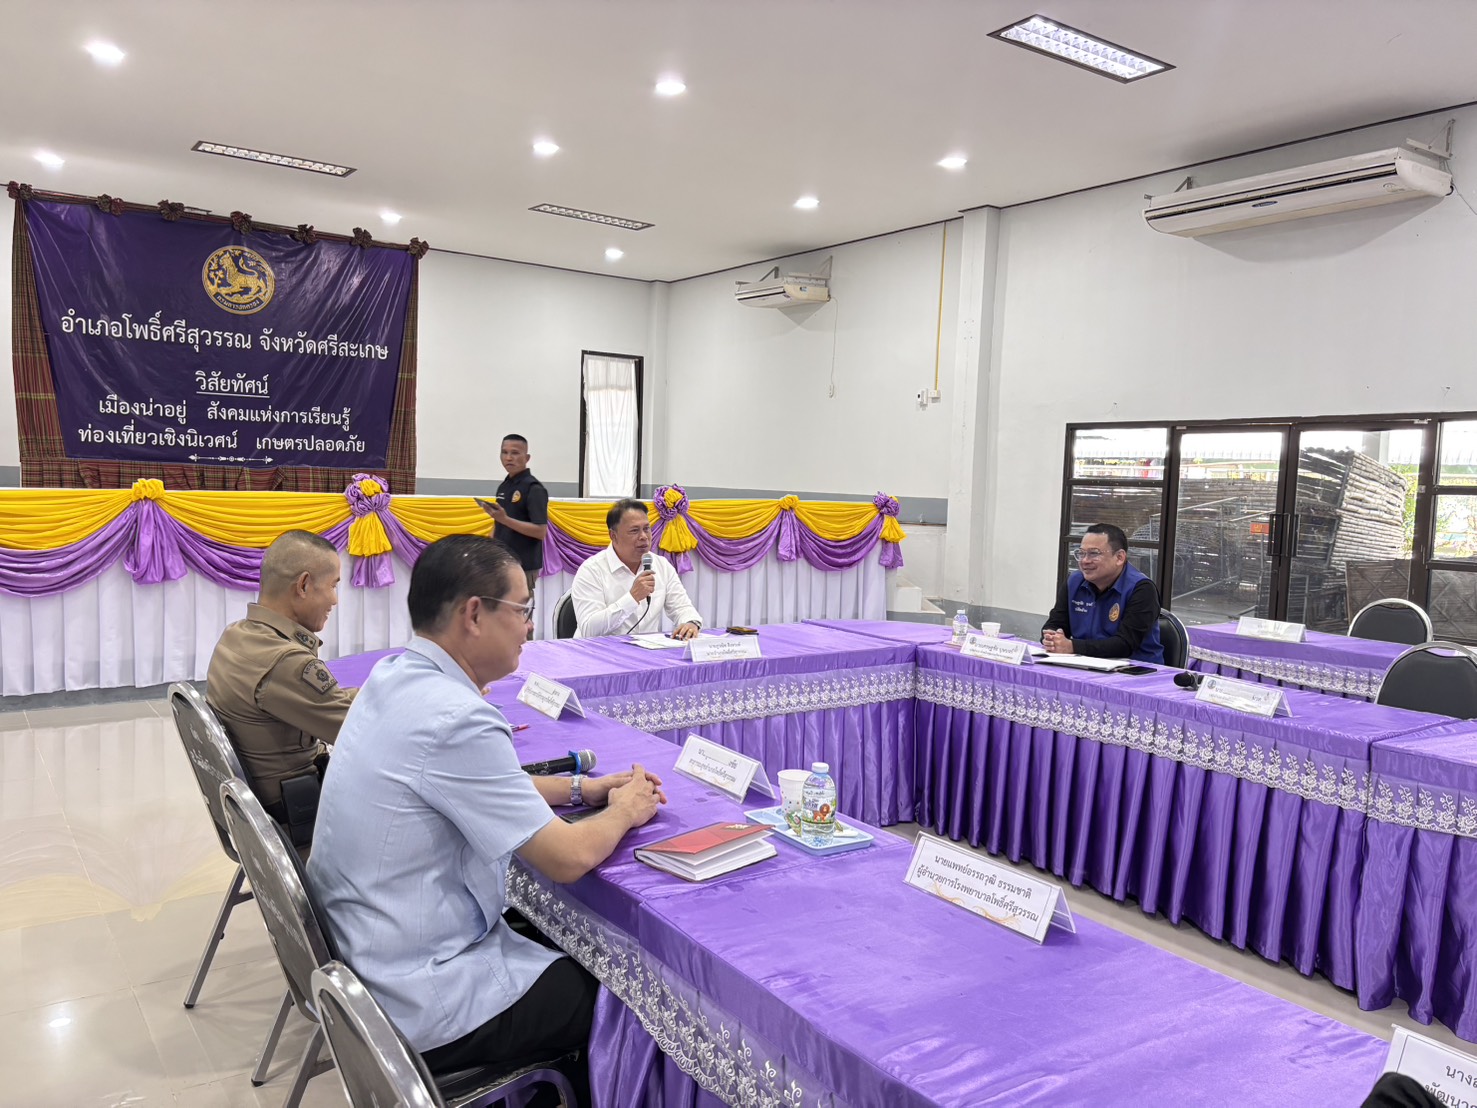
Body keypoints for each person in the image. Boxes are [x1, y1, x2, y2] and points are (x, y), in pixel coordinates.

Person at [306, 536, 665, 1105]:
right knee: (635, 999)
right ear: (474, 614)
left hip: (364, 956)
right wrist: (624, 810)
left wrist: (580, 788)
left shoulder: (394, 676)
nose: (529, 627)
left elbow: (469, 785)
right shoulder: (457, 718)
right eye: (522, 610)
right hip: (418, 991)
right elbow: (568, 857)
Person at [206, 530, 355, 826]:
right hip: (304, 820)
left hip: (258, 816)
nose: (335, 600)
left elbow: (327, 701)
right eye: (332, 586)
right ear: (303, 585)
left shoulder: (236, 635)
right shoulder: (286, 662)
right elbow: (364, 729)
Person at [570, 498, 703, 639]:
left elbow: (682, 607)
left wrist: (690, 622)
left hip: (647, 650)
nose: (644, 537)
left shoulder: (662, 566)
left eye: (646, 529)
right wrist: (632, 598)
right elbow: (589, 630)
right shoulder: (591, 570)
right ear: (613, 536)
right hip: (598, 650)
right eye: (634, 531)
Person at [1042, 522, 1165, 664]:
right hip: (1084, 663)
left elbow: (1124, 645)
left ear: (1119, 557)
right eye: (1081, 553)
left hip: (1135, 669)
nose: (1085, 561)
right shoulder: (1074, 581)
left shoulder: (1142, 589)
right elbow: (1056, 622)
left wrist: (1072, 647)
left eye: (1094, 553)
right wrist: (1051, 638)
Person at [477, 434, 549, 600]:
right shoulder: (504, 486)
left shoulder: (534, 488)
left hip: (523, 565)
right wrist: (488, 545)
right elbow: (499, 523)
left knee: (517, 610)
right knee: (498, 608)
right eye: (504, 452)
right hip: (501, 561)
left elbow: (540, 531)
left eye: (515, 453)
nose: (509, 457)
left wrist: (505, 520)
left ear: (527, 458)